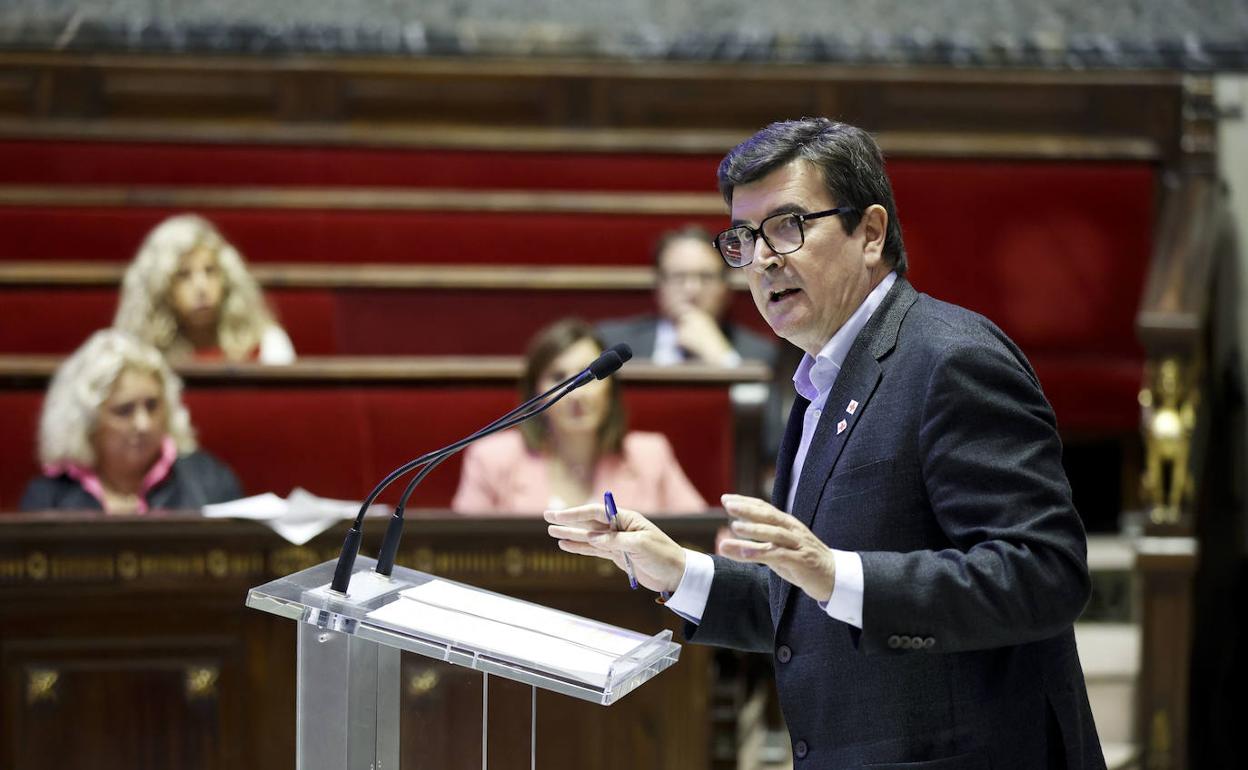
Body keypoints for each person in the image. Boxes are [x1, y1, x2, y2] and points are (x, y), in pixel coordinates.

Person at [546, 118, 1105, 768]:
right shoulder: (819, 382)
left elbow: (1044, 575)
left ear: (870, 232)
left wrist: (833, 571)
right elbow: (809, 605)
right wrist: (676, 568)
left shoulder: (950, 359)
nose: (762, 258)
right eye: (745, 238)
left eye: (788, 226)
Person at [452, 318, 706, 515]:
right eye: (558, 376)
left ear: (610, 389)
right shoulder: (491, 459)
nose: (576, 394)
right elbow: (460, 551)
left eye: (589, 376)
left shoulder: (651, 455)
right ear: (536, 392)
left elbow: (703, 539)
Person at [20, 329, 243, 513]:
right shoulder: (48, 497)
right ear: (89, 422)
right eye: (124, 411)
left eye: (152, 406)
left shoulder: (209, 481)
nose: (143, 424)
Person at [114, 214, 295, 364]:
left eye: (210, 271)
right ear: (161, 289)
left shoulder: (268, 343)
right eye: (184, 275)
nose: (202, 287)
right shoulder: (137, 356)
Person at [598, 225, 777, 368]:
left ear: (726, 287)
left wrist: (723, 358)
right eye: (679, 276)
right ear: (659, 285)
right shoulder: (611, 343)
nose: (692, 289)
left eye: (706, 277)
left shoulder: (761, 354)